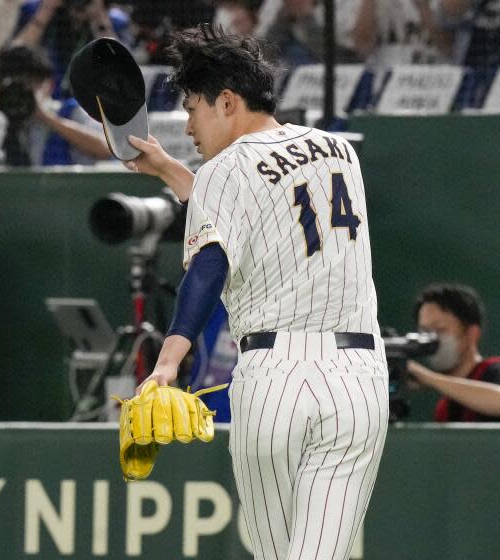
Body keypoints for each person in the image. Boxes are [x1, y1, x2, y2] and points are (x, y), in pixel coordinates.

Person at [126, 25, 388, 560]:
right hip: (360, 378)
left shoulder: (223, 169)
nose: (190, 126)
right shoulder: (340, 150)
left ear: (227, 101)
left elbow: (211, 260)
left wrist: (167, 363)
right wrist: (170, 170)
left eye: (194, 108)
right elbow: (255, 211)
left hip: (276, 377)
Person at [0, 43, 110, 166]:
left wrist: (46, 117)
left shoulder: (69, 112)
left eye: (29, 83)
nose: (22, 92)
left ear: (50, 85)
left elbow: (105, 149)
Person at [407, 284, 500, 421]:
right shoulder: (446, 407)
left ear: (471, 333)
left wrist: (427, 377)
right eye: (425, 331)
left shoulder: (493, 371)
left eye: (440, 329)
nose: (432, 339)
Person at [13, 0, 132, 97]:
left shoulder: (114, 22)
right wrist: (46, 11)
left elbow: (123, 72)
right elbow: (14, 55)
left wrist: (99, 21)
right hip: (38, 95)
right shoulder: (35, 9)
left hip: (86, 104)